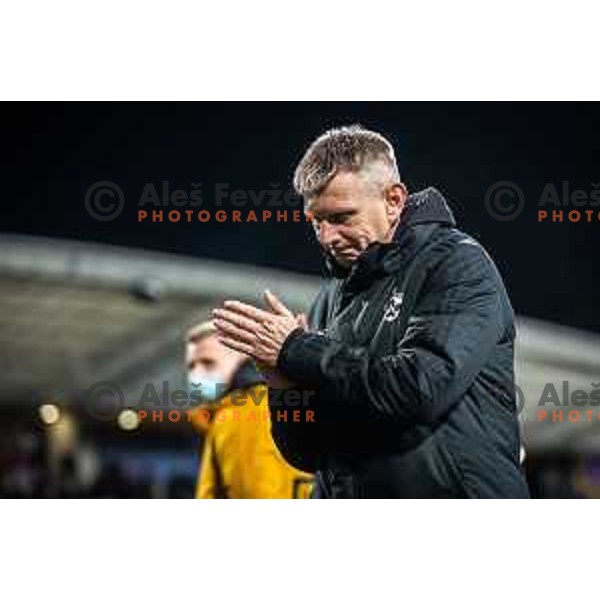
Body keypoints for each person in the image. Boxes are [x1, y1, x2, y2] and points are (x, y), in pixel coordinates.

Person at [212, 124, 530, 499]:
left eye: (342, 217)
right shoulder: (330, 299)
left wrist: (297, 349)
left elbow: (419, 389)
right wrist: (284, 386)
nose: (327, 237)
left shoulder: (457, 265)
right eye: (316, 221)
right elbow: (308, 454)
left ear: (393, 200)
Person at [185, 321, 313, 499]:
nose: (197, 373)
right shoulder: (258, 403)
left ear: (241, 357)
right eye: (191, 365)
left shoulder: (244, 413)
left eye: (208, 362)